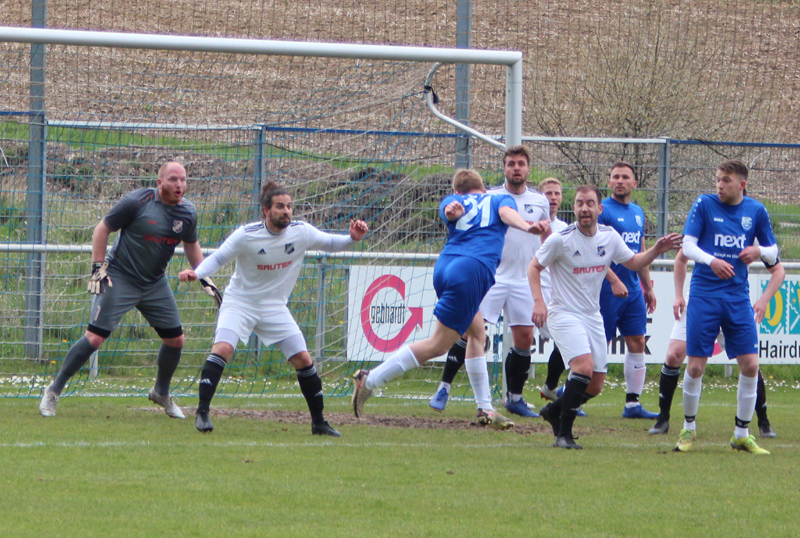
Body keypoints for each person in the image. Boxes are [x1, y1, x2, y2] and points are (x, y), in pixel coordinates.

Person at [352, 169, 546, 428]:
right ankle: (370, 379)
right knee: (438, 345)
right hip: (471, 271)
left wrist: (452, 212)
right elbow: (505, 215)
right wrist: (526, 225)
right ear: (484, 189)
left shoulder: (453, 199)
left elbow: (449, 211)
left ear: (458, 191)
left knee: (477, 334)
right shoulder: (498, 199)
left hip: (444, 267)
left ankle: (485, 408)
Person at [178, 181, 368, 437]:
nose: (286, 211)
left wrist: (352, 238)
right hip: (240, 302)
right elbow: (219, 258)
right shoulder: (247, 234)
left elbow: (332, 243)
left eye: (289, 206)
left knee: (303, 359)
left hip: (274, 307)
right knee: (223, 349)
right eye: (280, 207)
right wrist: (196, 273)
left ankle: (319, 422)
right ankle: (202, 412)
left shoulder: (301, 232)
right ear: (266, 210)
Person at [39, 161, 212, 419]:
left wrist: (204, 277)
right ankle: (53, 391)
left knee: (176, 340)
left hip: (155, 283)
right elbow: (102, 229)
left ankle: (161, 392)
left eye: (184, 180)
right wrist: (98, 272)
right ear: (160, 182)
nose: (180, 185)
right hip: (120, 277)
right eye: (174, 179)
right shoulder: (138, 202)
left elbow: (191, 245)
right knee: (95, 338)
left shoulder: (188, 213)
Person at [528, 185, 681, 449]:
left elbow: (633, 262)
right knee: (583, 368)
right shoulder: (560, 239)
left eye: (589, 203)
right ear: (573, 208)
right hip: (563, 313)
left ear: (600, 209)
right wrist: (539, 302)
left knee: (595, 385)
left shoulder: (609, 237)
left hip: (591, 315)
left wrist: (656, 250)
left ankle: (554, 412)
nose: (584, 208)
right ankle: (563, 434)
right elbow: (533, 267)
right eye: (579, 203)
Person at [427, 147, 550, 418]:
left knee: (524, 337)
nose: (516, 168)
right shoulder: (491, 198)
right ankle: (444, 386)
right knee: (470, 330)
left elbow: (545, 236)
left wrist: (544, 270)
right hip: (491, 276)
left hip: (523, 277)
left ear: (528, 169)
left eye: (521, 164)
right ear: (504, 169)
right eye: (511, 164)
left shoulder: (540, 201)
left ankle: (514, 398)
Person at [674, 159, 778, 455]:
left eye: (726, 180)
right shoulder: (704, 204)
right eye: (717, 179)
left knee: (751, 365)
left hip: (737, 297)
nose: (719, 185)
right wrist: (711, 260)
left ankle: (742, 434)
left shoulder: (755, 211)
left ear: (741, 184)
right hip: (705, 295)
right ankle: (688, 429)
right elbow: (688, 246)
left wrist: (759, 249)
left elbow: (774, 252)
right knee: (695, 366)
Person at [649, 249, 783, 437]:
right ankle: (663, 419)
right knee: (674, 355)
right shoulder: (705, 224)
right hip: (700, 301)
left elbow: (778, 268)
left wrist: (764, 299)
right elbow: (681, 258)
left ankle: (763, 421)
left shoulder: (748, 227)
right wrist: (679, 295)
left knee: (750, 363)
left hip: (733, 303)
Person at [596, 162, 659, 419]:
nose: (619, 181)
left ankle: (632, 404)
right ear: (609, 182)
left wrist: (647, 286)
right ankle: (573, 395)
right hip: (606, 290)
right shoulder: (602, 212)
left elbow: (640, 252)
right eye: (615, 177)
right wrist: (612, 280)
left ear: (634, 184)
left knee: (637, 341)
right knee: (599, 344)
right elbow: (595, 253)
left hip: (632, 291)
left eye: (625, 177)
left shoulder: (637, 212)